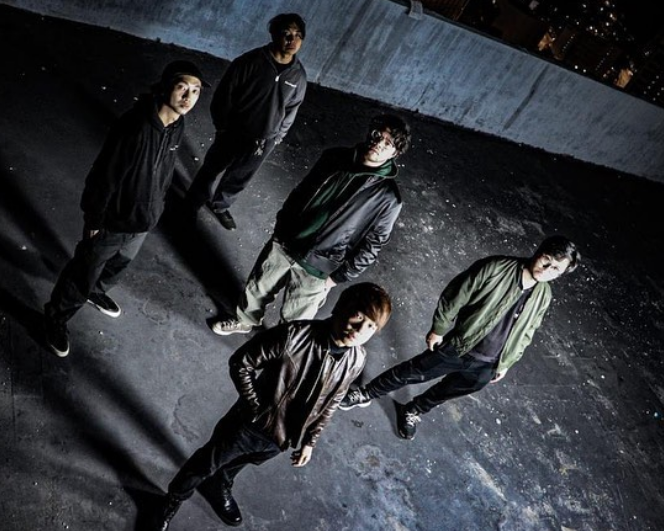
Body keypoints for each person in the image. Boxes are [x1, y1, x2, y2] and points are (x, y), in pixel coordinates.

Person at [151, 283, 392, 530]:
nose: (360, 330)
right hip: (249, 425)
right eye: (358, 316)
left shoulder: (356, 359)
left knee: (241, 462)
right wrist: (256, 408)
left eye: (371, 326)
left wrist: (310, 441)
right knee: (204, 464)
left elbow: (331, 402)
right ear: (341, 307)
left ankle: (218, 484)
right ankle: (171, 501)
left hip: (283, 438)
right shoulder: (294, 335)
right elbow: (241, 363)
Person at [339, 236, 580, 441]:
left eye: (556, 269)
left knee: (446, 391)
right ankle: (367, 393)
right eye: (546, 260)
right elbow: (456, 295)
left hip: (488, 364)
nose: (547, 270)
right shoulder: (496, 267)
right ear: (539, 252)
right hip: (459, 346)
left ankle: (413, 410)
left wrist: (506, 363)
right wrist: (439, 329)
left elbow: (528, 331)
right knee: (412, 372)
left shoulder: (544, 295)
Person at [43, 60, 209, 357]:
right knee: (84, 272)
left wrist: (157, 206)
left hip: (144, 219)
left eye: (195, 91)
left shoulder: (177, 125)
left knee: (118, 265)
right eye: (182, 88)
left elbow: (165, 170)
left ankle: (96, 292)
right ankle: (54, 318)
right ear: (165, 87)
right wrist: (94, 219)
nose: (188, 97)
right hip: (114, 220)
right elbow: (104, 175)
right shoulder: (135, 127)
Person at [210, 114, 410, 336]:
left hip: (320, 264)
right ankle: (244, 321)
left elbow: (373, 246)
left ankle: (282, 346)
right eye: (377, 135)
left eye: (388, 143)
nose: (379, 143)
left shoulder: (388, 198)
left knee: (296, 318)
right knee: (257, 288)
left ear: (395, 153)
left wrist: (338, 277)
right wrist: (282, 224)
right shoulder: (334, 156)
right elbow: (302, 191)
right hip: (287, 241)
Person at [185, 13, 308, 230]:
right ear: (273, 34)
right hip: (234, 131)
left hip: (263, 140)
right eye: (286, 34)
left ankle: (220, 206)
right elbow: (224, 95)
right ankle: (191, 204)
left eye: (298, 35)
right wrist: (223, 126)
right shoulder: (250, 62)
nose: (292, 40)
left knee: (240, 176)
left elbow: (292, 109)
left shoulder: (298, 76)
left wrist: (277, 136)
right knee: (212, 168)